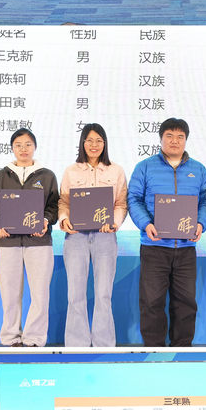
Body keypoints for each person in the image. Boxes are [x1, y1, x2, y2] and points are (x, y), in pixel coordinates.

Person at [128, 117, 206, 347]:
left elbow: (205, 201)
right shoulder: (145, 167)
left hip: (186, 247)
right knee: (151, 301)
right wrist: (146, 224)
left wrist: (200, 224)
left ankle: (182, 350)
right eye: (169, 136)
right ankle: (154, 350)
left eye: (180, 137)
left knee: (186, 302)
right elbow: (133, 198)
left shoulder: (198, 169)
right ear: (161, 138)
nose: (175, 141)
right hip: (154, 245)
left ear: (186, 140)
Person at [58, 124, 128, 347]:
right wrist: (64, 220)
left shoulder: (116, 171)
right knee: (75, 294)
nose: (94, 145)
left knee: (103, 294)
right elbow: (64, 202)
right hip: (76, 237)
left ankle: (104, 344)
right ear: (82, 143)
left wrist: (114, 223)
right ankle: (76, 345)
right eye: (89, 140)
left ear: (105, 143)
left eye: (99, 140)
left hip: (105, 237)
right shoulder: (71, 171)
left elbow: (121, 203)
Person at [0, 128, 59, 347]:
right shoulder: (1, 176)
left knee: (40, 293)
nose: (23, 149)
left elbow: (54, 206)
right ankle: (11, 337)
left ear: (35, 147)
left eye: (28, 144)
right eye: (18, 145)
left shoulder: (47, 175)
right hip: (8, 243)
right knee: (9, 294)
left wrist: (46, 221)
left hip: (38, 242)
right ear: (11, 148)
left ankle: (34, 338)